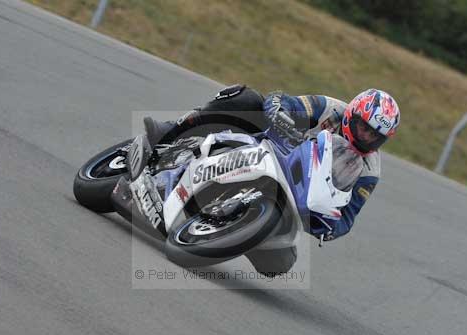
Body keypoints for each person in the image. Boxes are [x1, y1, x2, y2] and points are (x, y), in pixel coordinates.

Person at [134, 84, 400, 242]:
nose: (367, 137)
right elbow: (280, 100)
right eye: (364, 128)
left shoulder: (370, 170)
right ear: (352, 114)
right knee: (247, 99)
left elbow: (347, 218)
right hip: (272, 150)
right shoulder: (329, 109)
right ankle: (169, 131)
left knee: (280, 263)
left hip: (293, 202)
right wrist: (280, 115)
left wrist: (325, 228)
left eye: (376, 136)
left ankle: (225, 224)